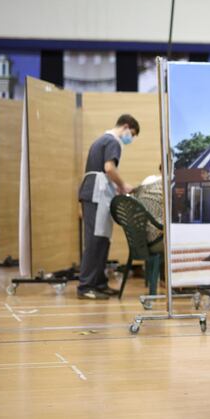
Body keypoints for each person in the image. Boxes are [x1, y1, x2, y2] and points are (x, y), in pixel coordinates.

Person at [77, 114, 140, 299]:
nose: (131, 138)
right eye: (132, 134)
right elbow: (109, 168)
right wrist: (123, 185)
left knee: (102, 240)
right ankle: (86, 286)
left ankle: (99, 283)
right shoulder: (113, 141)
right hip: (96, 194)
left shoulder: (101, 140)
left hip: (99, 193)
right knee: (95, 241)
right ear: (126, 127)